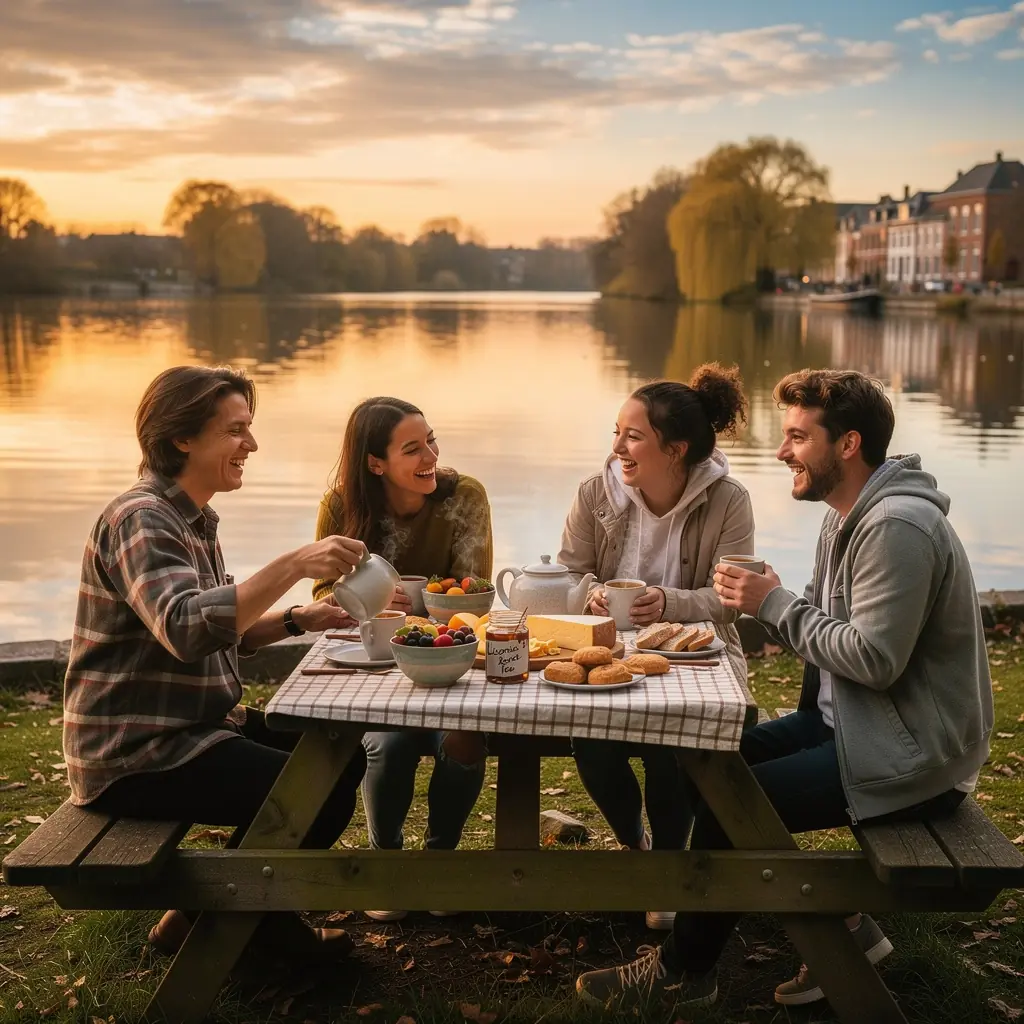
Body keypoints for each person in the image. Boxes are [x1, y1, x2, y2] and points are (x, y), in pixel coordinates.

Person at [575, 369, 993, 1011]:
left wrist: (774, 603)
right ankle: (846, 927)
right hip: (851, 723)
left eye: (798, 437)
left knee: (729, 804)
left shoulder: (897, 527)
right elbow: (832, 640)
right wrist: (774, 604)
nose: (780, 451)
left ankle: (684, 974)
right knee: (703, 768)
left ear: (848, 444)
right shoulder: (845, 516)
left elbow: (874, 660)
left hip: (912, 754)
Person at [64, 365, 369, 962]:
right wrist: (293, 565)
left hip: (192, 729)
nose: (250, 444)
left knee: (338, 756)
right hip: (137, 753)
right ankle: (248, 934)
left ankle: (207, 920)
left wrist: (296, 621)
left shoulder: (191, 519)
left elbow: (216, 629)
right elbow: (184, 628)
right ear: (182, 438)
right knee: (319, 789)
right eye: (235, 430)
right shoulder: (141, 519)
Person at [559, 364, 754, 931]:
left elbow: (732, 600)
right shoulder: (595, 493)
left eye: (633, 436)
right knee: (590, 742)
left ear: (676, 449)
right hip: (608, 652)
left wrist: (669, 603)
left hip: (698, 654)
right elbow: (567, 575)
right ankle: (637, 848)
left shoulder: (728, 500)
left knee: (673, 747)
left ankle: (669, 866)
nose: (617, 447)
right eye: (616, 433)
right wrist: (591, 594)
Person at [313, 396, 493, 921]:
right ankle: (386, 863)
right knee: (389, 745)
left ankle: (438, 862)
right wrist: (366, 601)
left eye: (431, 441)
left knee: (465, 740)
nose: (431, 456)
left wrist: (427, 602)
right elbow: (322, 593)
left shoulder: (465, 497)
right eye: (412, 449)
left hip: (447, 660)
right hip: (373, 664)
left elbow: (476, 594)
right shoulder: (341, 506)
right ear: (375, 463)